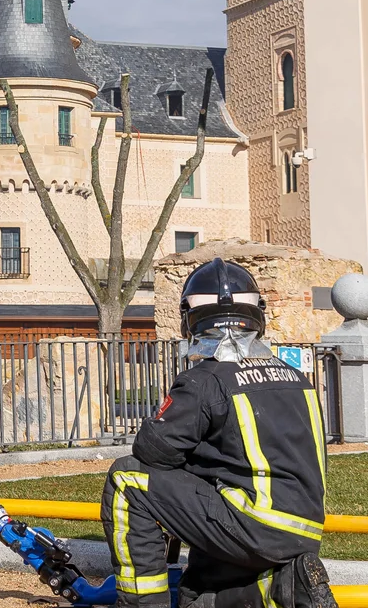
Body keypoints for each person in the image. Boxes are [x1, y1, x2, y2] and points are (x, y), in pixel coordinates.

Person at [100, 258, 335, 608]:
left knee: (127, 479)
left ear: (189, 321)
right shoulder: (296, 379)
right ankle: (281, 584)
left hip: (254, 527)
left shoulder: (205, 380)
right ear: (258, 316)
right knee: (200, 591)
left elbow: (152, 452)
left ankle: (141, 603)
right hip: (304, 530)